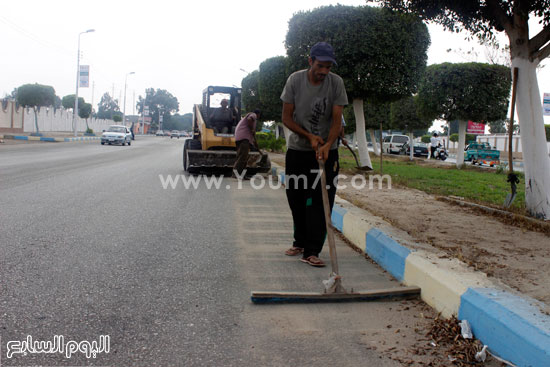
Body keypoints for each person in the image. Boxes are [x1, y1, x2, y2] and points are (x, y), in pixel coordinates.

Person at [280, 41, 348, 267]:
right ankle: (299, 241)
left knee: (321, 200)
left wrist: (328, 144)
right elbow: (287, 118)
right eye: (320, 66)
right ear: (310, 61)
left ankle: (312, 251)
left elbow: (337, 119)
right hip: (298, 150)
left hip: (328, 153)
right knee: (296, 198)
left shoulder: (336, 83)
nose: (324, 72)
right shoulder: (295, 80)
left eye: (328, 67)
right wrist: (309, 137)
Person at [232, 110, 260, 178]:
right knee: (243, 157)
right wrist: (252, 130)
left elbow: (252, 138)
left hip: (239, 137)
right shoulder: (253, 114)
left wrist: (256, 145)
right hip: (244, 139)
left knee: (241, 156)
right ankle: (237, 174)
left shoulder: (246, 119)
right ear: (258, 114)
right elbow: (249, 119)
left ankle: (241, 174)